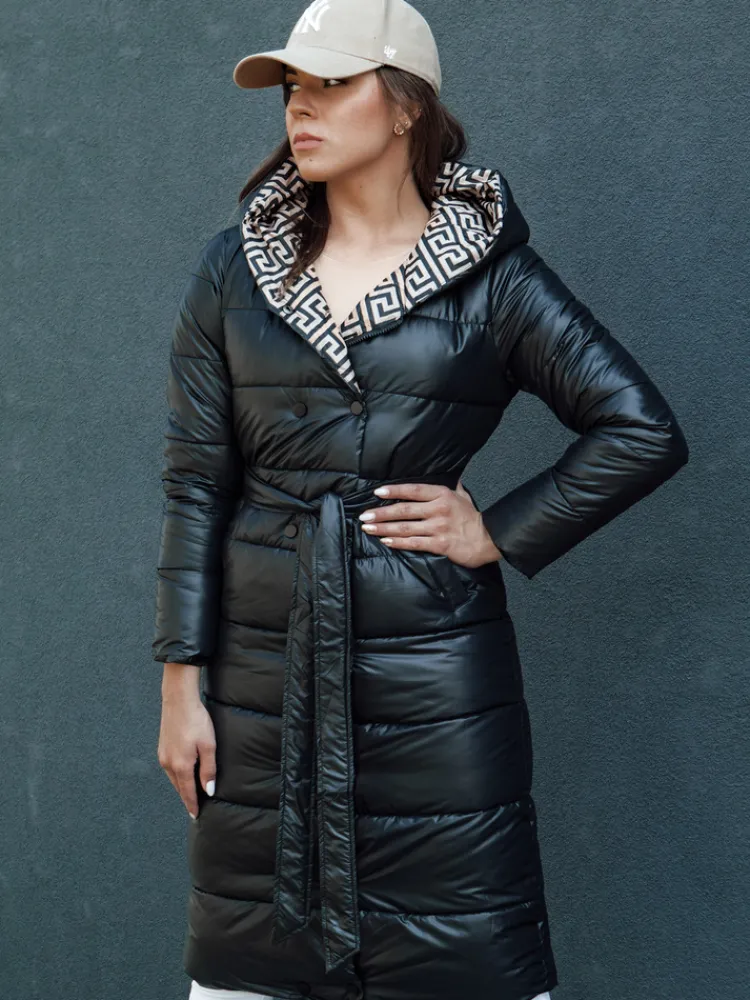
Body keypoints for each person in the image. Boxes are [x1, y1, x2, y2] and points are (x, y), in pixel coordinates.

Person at [152, 1, 689, 999]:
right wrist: (181, 685)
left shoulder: (493, 277)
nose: (299, 108)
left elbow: (639, 429)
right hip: (264, 683)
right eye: (292, 87)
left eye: (330, 83)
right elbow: (195, 481)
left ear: (405, 106)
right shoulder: (234, 269)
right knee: (247, 962)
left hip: (437, 685)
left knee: (461, 949)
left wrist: (497, 529)